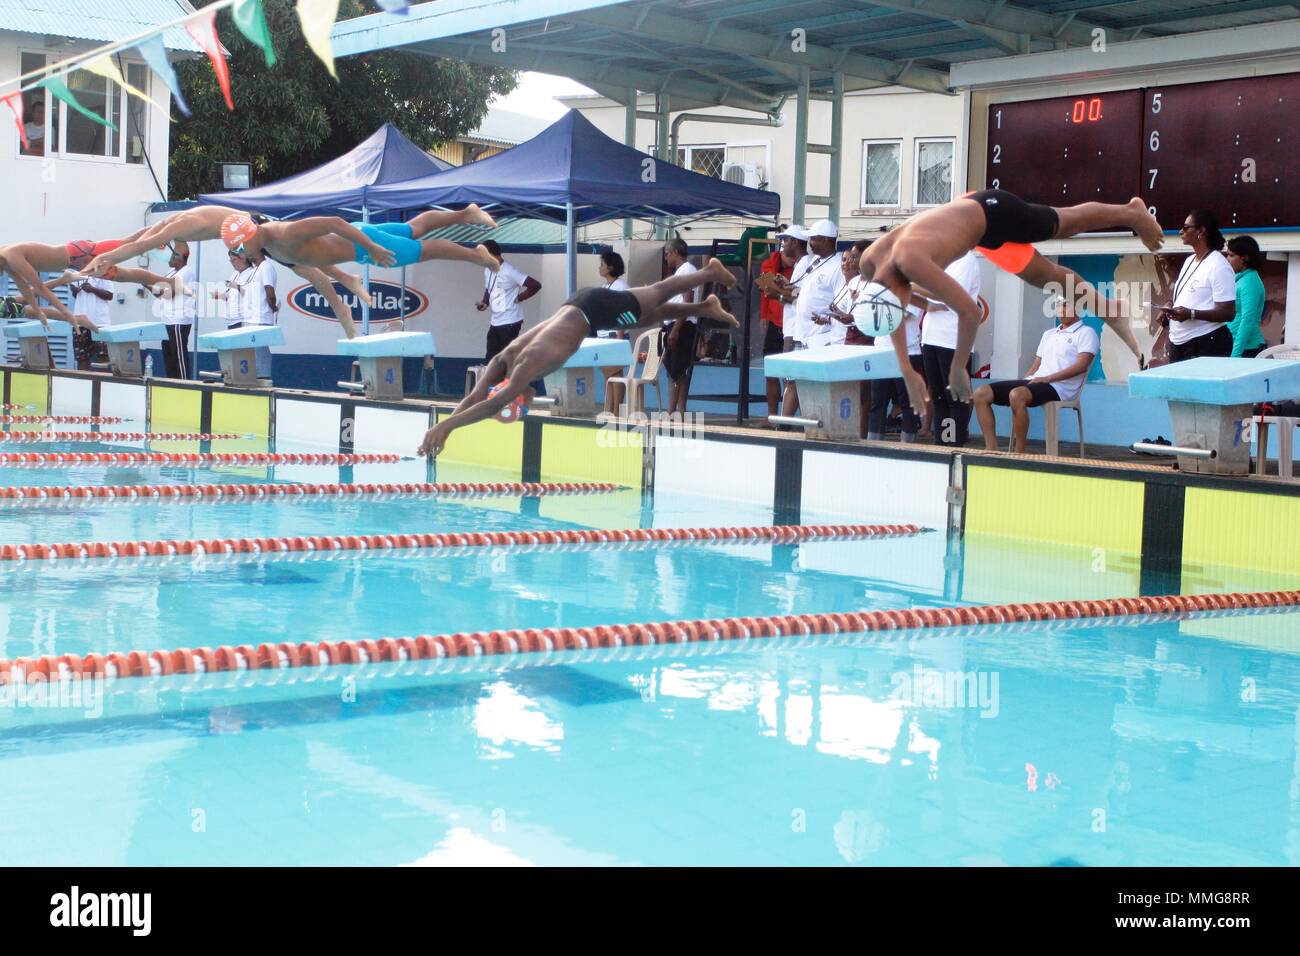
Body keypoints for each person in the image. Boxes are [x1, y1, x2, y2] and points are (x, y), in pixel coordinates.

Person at [856, 188, 1161, 412]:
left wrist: (958, 367)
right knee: (1047, 277)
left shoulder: (910, 261)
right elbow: (892, 309)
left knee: (1066, 223)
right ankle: (1108, 310)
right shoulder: (869, 264)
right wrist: (907, 370)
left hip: (992, 212)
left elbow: (970, 313)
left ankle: (1131, 212)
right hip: (974, 229)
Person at [419, 259, 738, 456]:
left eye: (522, 404)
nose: (525, 403)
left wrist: (447, 429)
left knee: (656, 293)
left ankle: (708, 271)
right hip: (580, 309)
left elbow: (490, 403)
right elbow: (476, 396)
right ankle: (702, 308)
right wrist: (445, 425)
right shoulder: (505, 358)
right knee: (641, 315)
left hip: (590, 309)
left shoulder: (526, 367)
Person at [973, 296, 1099, 454]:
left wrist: (1048, 378)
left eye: (1066, 306)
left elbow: (1082, 366)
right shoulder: (1049, 333)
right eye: (1058, 305)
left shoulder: (1086, 332)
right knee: (981, 394)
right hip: (1038, 381)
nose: (1061, 309)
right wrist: (1024, 381)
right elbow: (1037, 364)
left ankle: (1019, 453)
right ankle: (991, 448)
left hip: (1060, 388)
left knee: (1017, 395)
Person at [917, 251, 981, 447]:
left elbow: (947, 295)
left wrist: (912, 286)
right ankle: (943, 443)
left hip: (953, 339)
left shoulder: (966, 260)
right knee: (938, 398)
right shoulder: (939, 259)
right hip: (931, 337)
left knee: (954, 399)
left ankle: (953, 446)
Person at [1155, 209, 1235, 362]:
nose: (1180, 232)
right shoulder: (1189, 260)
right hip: (1179, 344)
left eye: (1186, 228)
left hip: (1206, 342)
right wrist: (1170, 306)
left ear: (1201, 231)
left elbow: (1228, 313)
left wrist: (1191, 314)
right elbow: (1184, 295)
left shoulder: (1219, 265)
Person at [479, 239, 541, 362]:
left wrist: (519, 297)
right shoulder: (488, 270)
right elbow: (489, 288)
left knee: (507, 359)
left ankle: (512, 380)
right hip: (495, 321)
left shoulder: (509, 271)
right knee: (491, 358)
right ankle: (495, 380)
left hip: (510, 321)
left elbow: (535, 285)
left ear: (493, 255)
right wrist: (485, 302)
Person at [660, 238, 700, 417]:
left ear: (675, 252)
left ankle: (672, 411)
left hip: (681, 326)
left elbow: (687, 300)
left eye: (667, 254)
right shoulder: (682, 272)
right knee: (678, 371)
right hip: (678, 324)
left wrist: (676, 329)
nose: (666, 259)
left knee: (674, 372)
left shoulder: (686, 271)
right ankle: (680, 411)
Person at [757, 234, 795, 418]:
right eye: (788, 257)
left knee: (791, 376)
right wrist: (764, 314)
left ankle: (787, 417)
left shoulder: (802, 265)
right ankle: (772, 416)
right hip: (775, 322)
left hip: (793, 327)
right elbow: (765, 290)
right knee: (770, 372)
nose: (792, 260)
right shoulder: (769, 263)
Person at [596, 251, 633, 414]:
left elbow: (623, 312)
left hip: (615, 336)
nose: (600, 267)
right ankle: (609, 408)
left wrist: (619, 336)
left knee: (616, 374)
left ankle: (617, 409)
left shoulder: (621, 287)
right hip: (604, 337)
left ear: (611, 267)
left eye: (602, 264)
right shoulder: (605, 287)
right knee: (608, 375)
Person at [153, 244, 196, 379]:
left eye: (171, 256)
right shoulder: (171, 272)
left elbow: (168, 293)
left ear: (180, 258)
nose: (168, 259)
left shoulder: (186, 272)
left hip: (178, 319)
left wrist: (155, 287)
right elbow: (159, 294)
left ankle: (184, 383)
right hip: (167, 319)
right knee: (168, 354)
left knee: (179, 354)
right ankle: (172, 382)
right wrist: (147, 284)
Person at [1224, 235, 1267, 358]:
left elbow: (1247, 320)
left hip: (1247, 349)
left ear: (1244, 258)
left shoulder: (1250, 282)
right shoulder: (1239, 279)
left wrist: (1235, 354)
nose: (1227, 259)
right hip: (1234, 346)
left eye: (1231, 255)